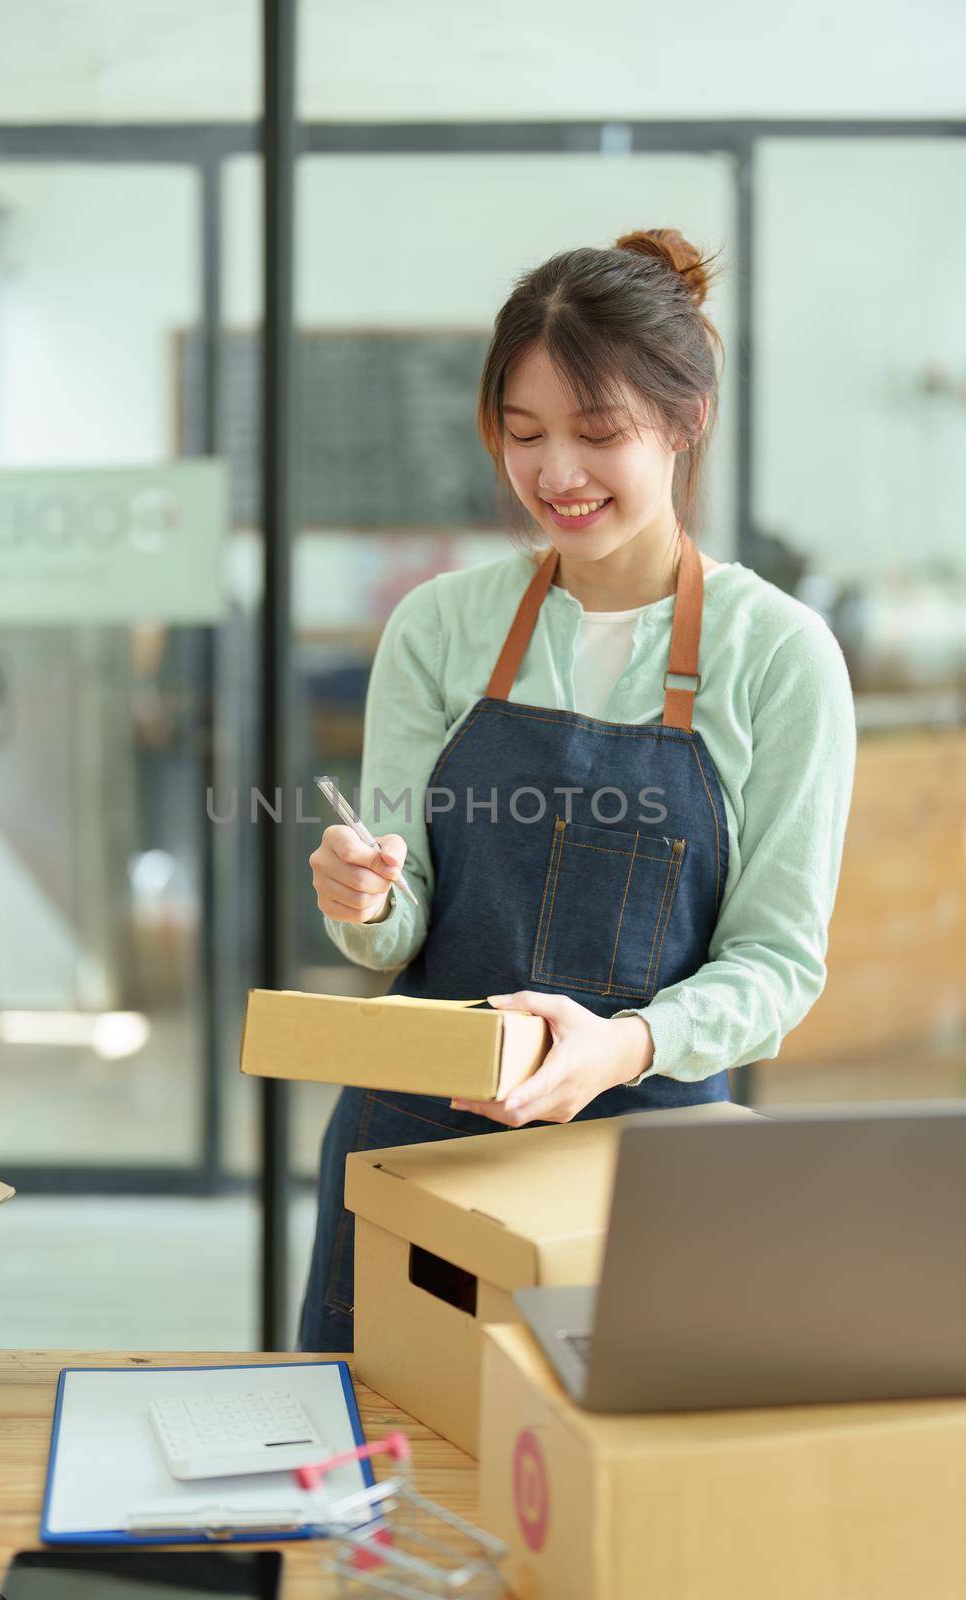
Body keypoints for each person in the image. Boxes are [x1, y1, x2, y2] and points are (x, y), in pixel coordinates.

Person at [298, 227, 857, 1353]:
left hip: (643, 1159)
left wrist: (619, 1045)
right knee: (374, 1471)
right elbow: (393, 934)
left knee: (611, 1489)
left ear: (685, 419)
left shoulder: (777, 655)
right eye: (523, 434)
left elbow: (776, 965)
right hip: (415, 1138)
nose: (555, 474)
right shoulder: (438, 627)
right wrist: (360, 899)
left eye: (596, 434)